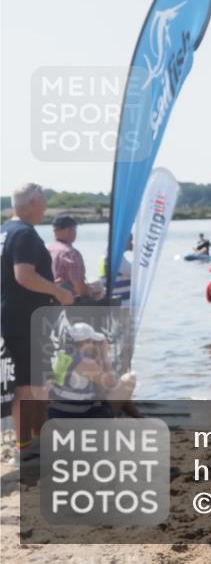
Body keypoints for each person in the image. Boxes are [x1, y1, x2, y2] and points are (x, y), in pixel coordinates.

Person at [1, 184, 73, 464]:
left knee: (32, 382)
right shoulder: (25, 233)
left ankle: (35, 442)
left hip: (12, 315)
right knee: (29, 385)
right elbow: (24, 275)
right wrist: (59, 292)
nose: (45, 207)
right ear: (30, 203)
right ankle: (26, 448)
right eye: (43, 201)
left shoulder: (6, 230)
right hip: (24, 319)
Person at [48, 322, 135, 419]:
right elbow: (112, 384)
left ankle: (137, 416)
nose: (94, 346)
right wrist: (105, 355)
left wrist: (98, 358)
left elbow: (101, 388)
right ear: (85, 343)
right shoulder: (85, 363)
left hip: (58, 414)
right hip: (77, 417)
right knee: (129, 379)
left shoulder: (62, 356)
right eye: (93, 342)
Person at [46, 214, 99, 301]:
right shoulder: (70, 253)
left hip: (49, 301)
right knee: (99, 290)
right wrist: (91, 293)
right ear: (69, 230)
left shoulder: (47, 250)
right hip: (68, 303)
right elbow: (79, 287)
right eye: (75, 229)